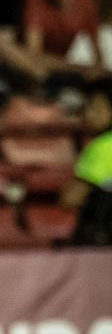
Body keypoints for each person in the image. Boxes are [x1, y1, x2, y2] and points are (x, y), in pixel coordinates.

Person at [61, 84, 112, 246]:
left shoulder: (102, 147)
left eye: (96, 108)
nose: (88, 114)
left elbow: (71, 198)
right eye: (87, 107)